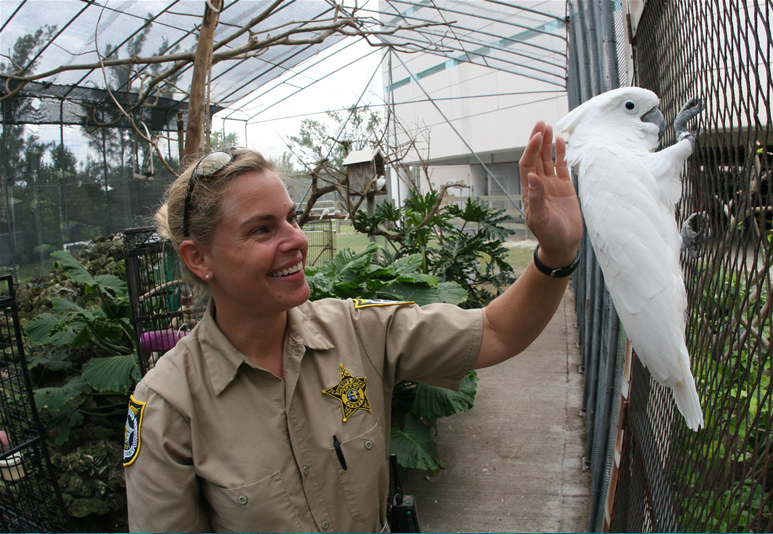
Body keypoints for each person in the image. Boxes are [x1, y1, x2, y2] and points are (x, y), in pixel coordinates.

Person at [123, 120, 583, 533]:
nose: (297, 240)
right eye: (262, 230)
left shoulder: (357, 331)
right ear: (198, 259)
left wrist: (555, 256)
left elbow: (497, 331)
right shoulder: (169, 405)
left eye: (291, 218)